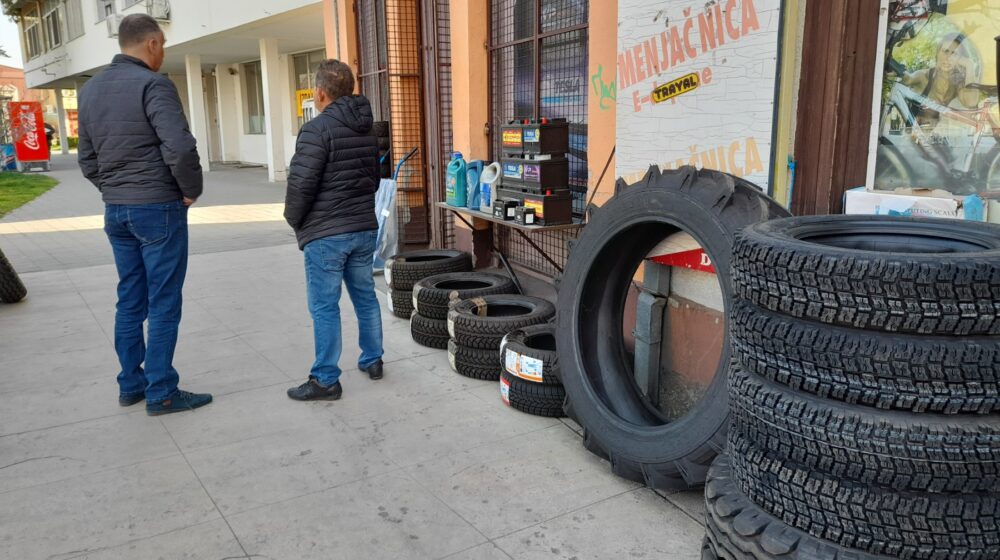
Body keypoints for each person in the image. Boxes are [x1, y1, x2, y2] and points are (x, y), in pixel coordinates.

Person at [77, 14, 212, 415]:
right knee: (163, 302)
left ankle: (131, 385)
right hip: (158, 208)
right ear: (152, 43)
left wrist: (114, 190)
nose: (163, 53)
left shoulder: (90, 90)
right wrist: (190, 190)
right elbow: (180, 147)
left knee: (130, 299)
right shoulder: (154, 85)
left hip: (117, 211)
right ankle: (162, 392)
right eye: (163, 45)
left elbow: (87, 159)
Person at [284, 59, 384, 402]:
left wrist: (294, 219)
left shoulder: (316, 130)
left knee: (325, 306)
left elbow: (301, 185)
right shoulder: (367, 128)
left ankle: (325, 379)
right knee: (365, 296)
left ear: (320, 93)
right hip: (362, 227)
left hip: (327, 233)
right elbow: (374, 179)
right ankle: (373, 360)